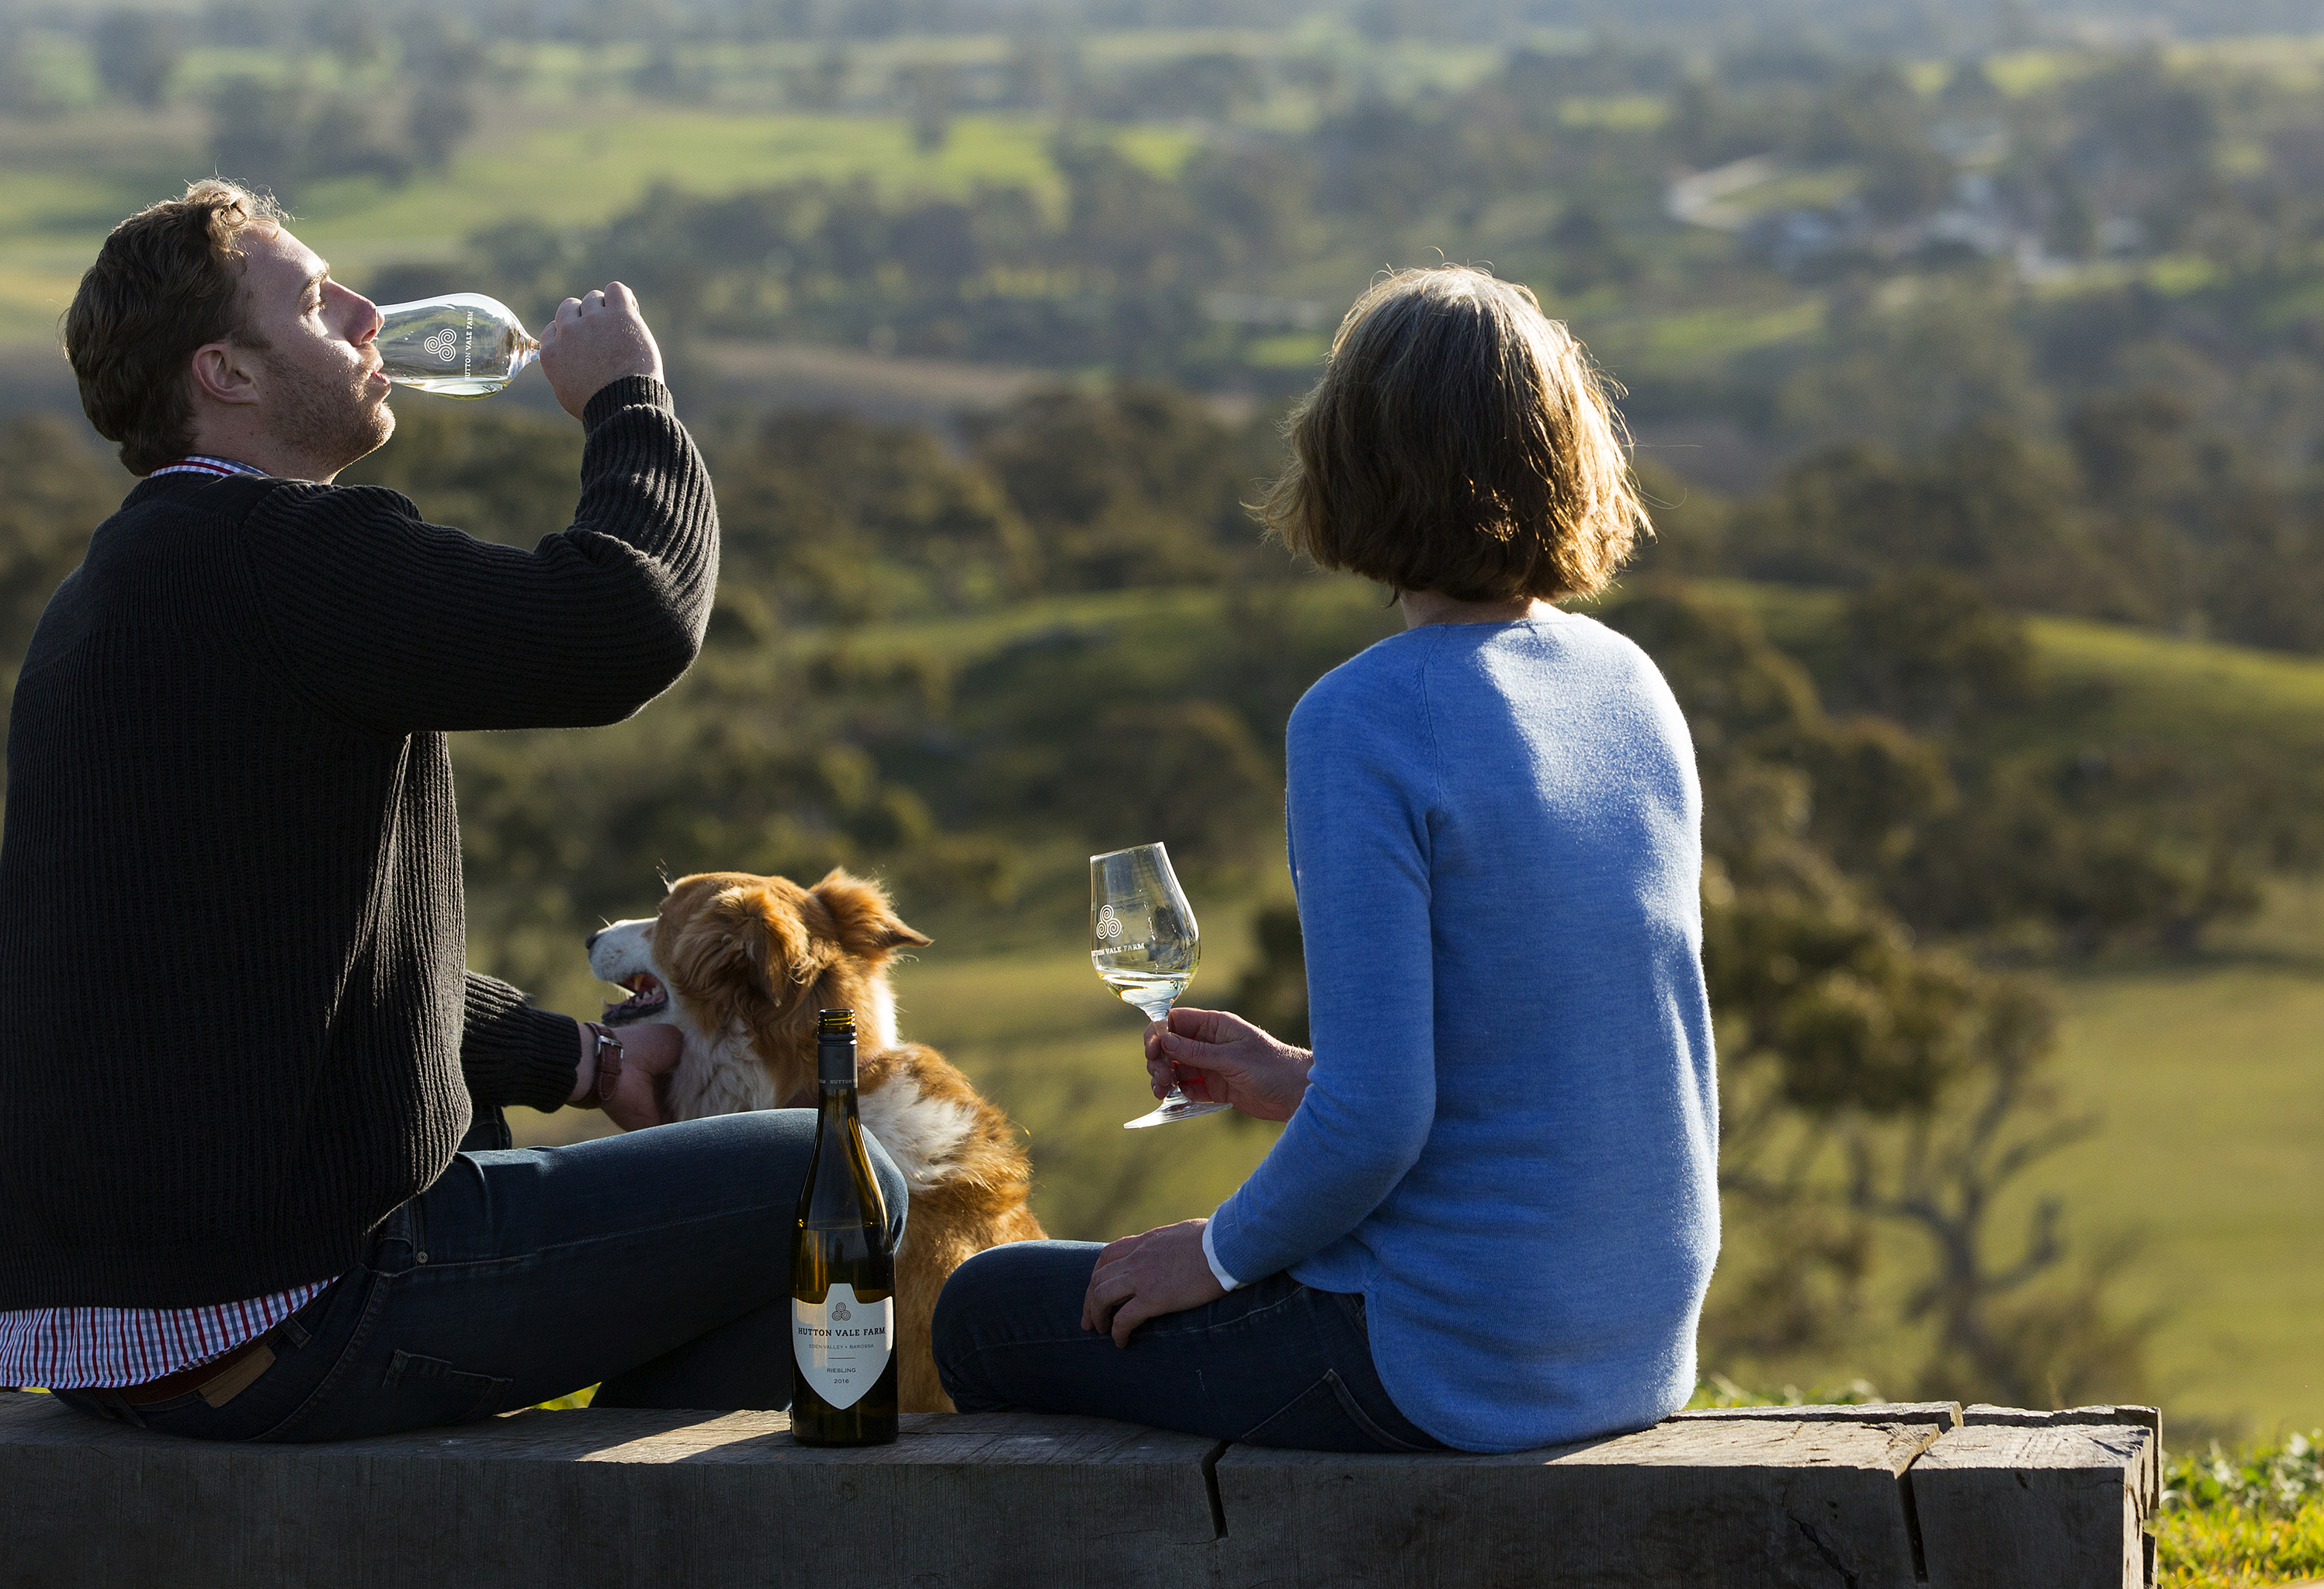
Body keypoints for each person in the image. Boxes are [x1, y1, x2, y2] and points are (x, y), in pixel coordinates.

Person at [0, 181, 903, 1440]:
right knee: (841, 1184)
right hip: (293, 1310)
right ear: (228, 373)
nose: (371, 315)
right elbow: (620, 625)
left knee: (492, 1144)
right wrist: (630, 403)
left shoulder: (102, 597)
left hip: (114, 1337)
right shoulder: (282, 553)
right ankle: (592, 1522)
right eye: (316, 301)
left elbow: (278, 967)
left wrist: (578, 1061)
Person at [931, 266, 1719, 1455]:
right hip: (1636, 1344)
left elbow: (1384, 1121)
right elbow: (1549, 1054)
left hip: (1452, 1357)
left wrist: (1211, 1252)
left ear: (1349, 464)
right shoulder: (1633, 687)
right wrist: (1300, 1077)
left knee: (986, 1309)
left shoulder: (1363, 718)